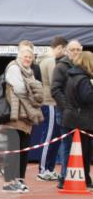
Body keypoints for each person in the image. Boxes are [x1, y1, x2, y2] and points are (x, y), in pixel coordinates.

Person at [2, 40, 44, 192]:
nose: (27, 59)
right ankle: (8, 182)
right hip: (15, 115)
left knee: (22, 149)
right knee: (13, 149)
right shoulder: (13, 68)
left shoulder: (30, 71)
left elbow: (37, 91)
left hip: (26, 115)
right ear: (19, 56)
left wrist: (33, 91)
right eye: (25, 56)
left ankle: (18, 179)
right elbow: (20, 90)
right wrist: (33, 91)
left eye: (30, 57)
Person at [51, 38, 83, 188]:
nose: (76, 52)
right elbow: (55, 90)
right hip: (64, 113)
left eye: (78, 49)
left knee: (79, 146)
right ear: (67, 51)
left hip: (81, 113)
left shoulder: (82, 66)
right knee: (67, 145)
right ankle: (63, 178)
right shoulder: (61, 67)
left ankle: (77, 176)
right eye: (73, 49)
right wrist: (66, 107)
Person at [36, 35, 68, 181]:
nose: (67, 53)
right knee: (49, 136)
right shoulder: (50, 61)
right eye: (66, 50)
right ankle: (43, 170)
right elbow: (57, 83)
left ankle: (48, 168)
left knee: (53, 137)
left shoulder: (46, 60)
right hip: (50, 103)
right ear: (60, 47)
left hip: (50, 103)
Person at [63, 50, 93, 189]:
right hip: (82, 119)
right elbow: (87, 98)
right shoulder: (83, 79)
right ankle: (84, 179)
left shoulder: (72, 76)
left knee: (74, 151)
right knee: (84, 152)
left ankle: (71, 178)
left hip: (72, 117)